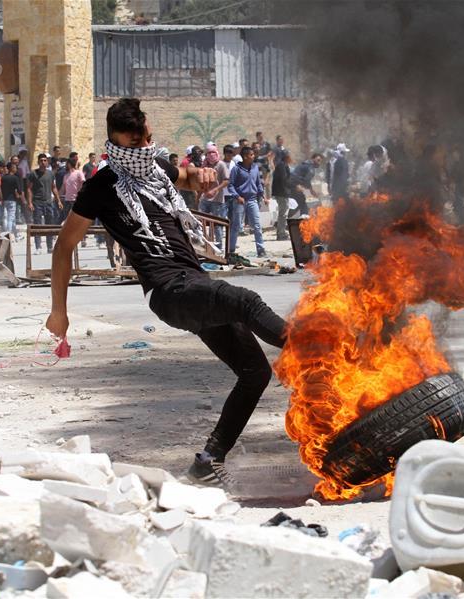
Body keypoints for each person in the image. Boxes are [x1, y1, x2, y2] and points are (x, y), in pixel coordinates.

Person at [46, 98, 286, 487]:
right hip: (169, 291)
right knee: (245, 301)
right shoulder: (101, 186)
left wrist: (202, 177)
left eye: (147, 141)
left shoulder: (156, 169)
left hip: (194, 283)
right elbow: (63, 247)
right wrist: (60, 311)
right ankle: (318, 352)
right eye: (133, 144)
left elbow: (187, 178)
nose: (143, 150)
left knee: (255, 372)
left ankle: (208, 461)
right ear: (115, 145)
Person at [227, 146, 267, 258]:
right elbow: (231, 185)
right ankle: (231, 250)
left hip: (252, 200)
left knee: (257, 226)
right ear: (245, 156)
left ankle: (261, 249)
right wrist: (237, 196)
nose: (253, 156)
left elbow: (258, 183)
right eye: (252, 155)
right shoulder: (236, 169)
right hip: (240, 201)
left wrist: (263, 195)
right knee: (236, 226)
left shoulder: (255, 168)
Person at [27, 153, 62, 252]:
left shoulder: (50, 174)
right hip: (37, 202)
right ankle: (38, 246)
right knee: (37, 225)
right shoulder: (33, 174)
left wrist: (58, 200)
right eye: (41, 160)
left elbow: (53, 187)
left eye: (45, 160)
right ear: (38, 162)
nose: (43, 162)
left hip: (48, 202)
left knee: (49, 224)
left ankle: (49, 246)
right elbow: (29, 189)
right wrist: (30, 203)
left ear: (47, 162)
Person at [198, 143, 230, 249]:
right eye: (209, 153)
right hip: (205, 199)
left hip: (217, 200)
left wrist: (215, 190)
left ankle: (219, 248)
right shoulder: (205, 165)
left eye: (213, 152)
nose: (211, 155)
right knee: (201, 223)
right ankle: (205, 246)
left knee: (217, 225)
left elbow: (226, 181)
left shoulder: (221, 165)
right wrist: (199, 195)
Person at [271, 150, 292, 240]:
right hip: (282, 193)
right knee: (283, 214)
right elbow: (283, 180)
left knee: (283, 213)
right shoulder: (282, 166)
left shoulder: (283, 165)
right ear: (286, 157)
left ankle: (281, 232)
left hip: (282, 192)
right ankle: (281, 233)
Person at [1, 162, 23, 238]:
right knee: (10, 218)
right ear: (11, 168)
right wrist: (19, 194)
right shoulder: (15, 178)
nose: (16, 169)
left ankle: (16, 235)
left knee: (10, 218)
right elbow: (19, 189)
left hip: (5, 199)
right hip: (12, 199)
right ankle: (8, 234)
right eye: (14, 167)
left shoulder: (3, 178)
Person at [61, 153, 85, 222]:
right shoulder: (66, 176)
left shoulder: (79, 173)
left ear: (69, 164)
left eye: (66, 164)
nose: (65, 165)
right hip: (67, 201)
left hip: (76, 200)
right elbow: (63, 188)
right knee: (67, 219)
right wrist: (58, 197)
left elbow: (84, 184)